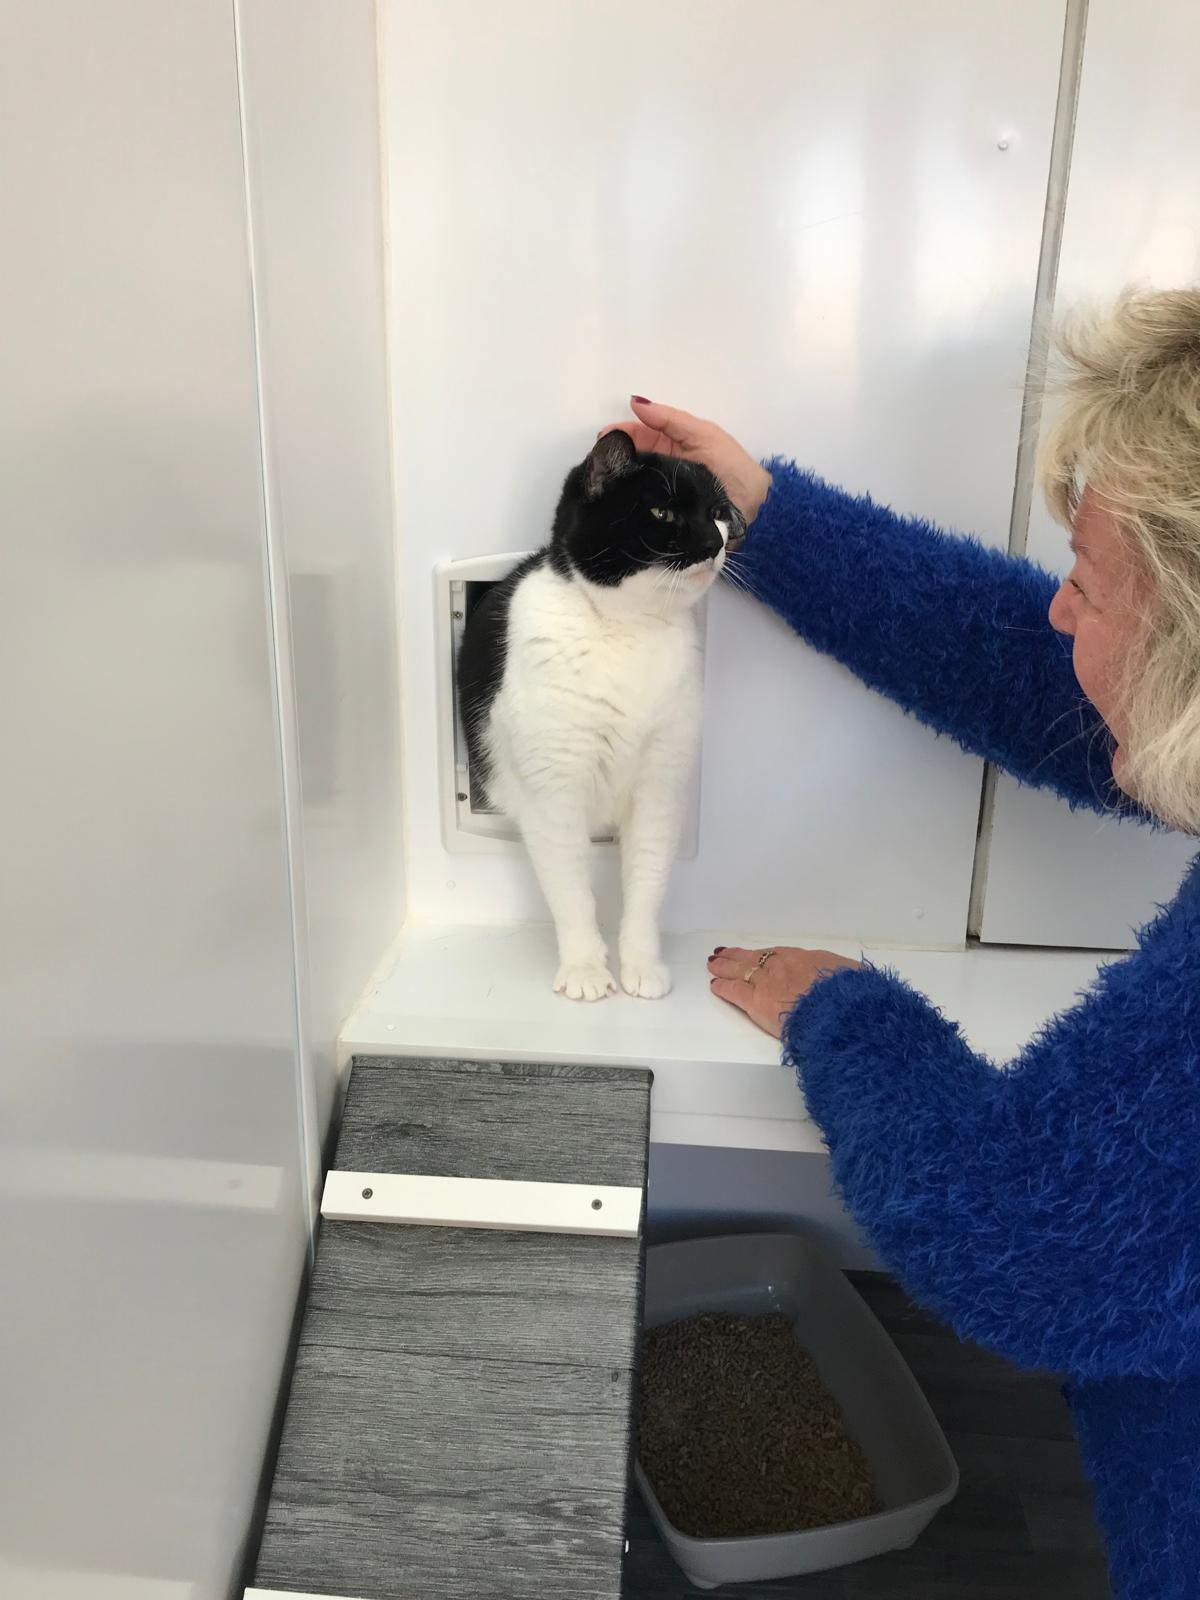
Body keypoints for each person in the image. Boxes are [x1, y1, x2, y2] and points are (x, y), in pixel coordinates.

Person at [607, 288, 1200, 1600]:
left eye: (1090, 586)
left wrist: (847, 1017)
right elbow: (1046, 679)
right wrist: (771, 522)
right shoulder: (1163, 689)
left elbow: (1039, 1243)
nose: (1059, 614)